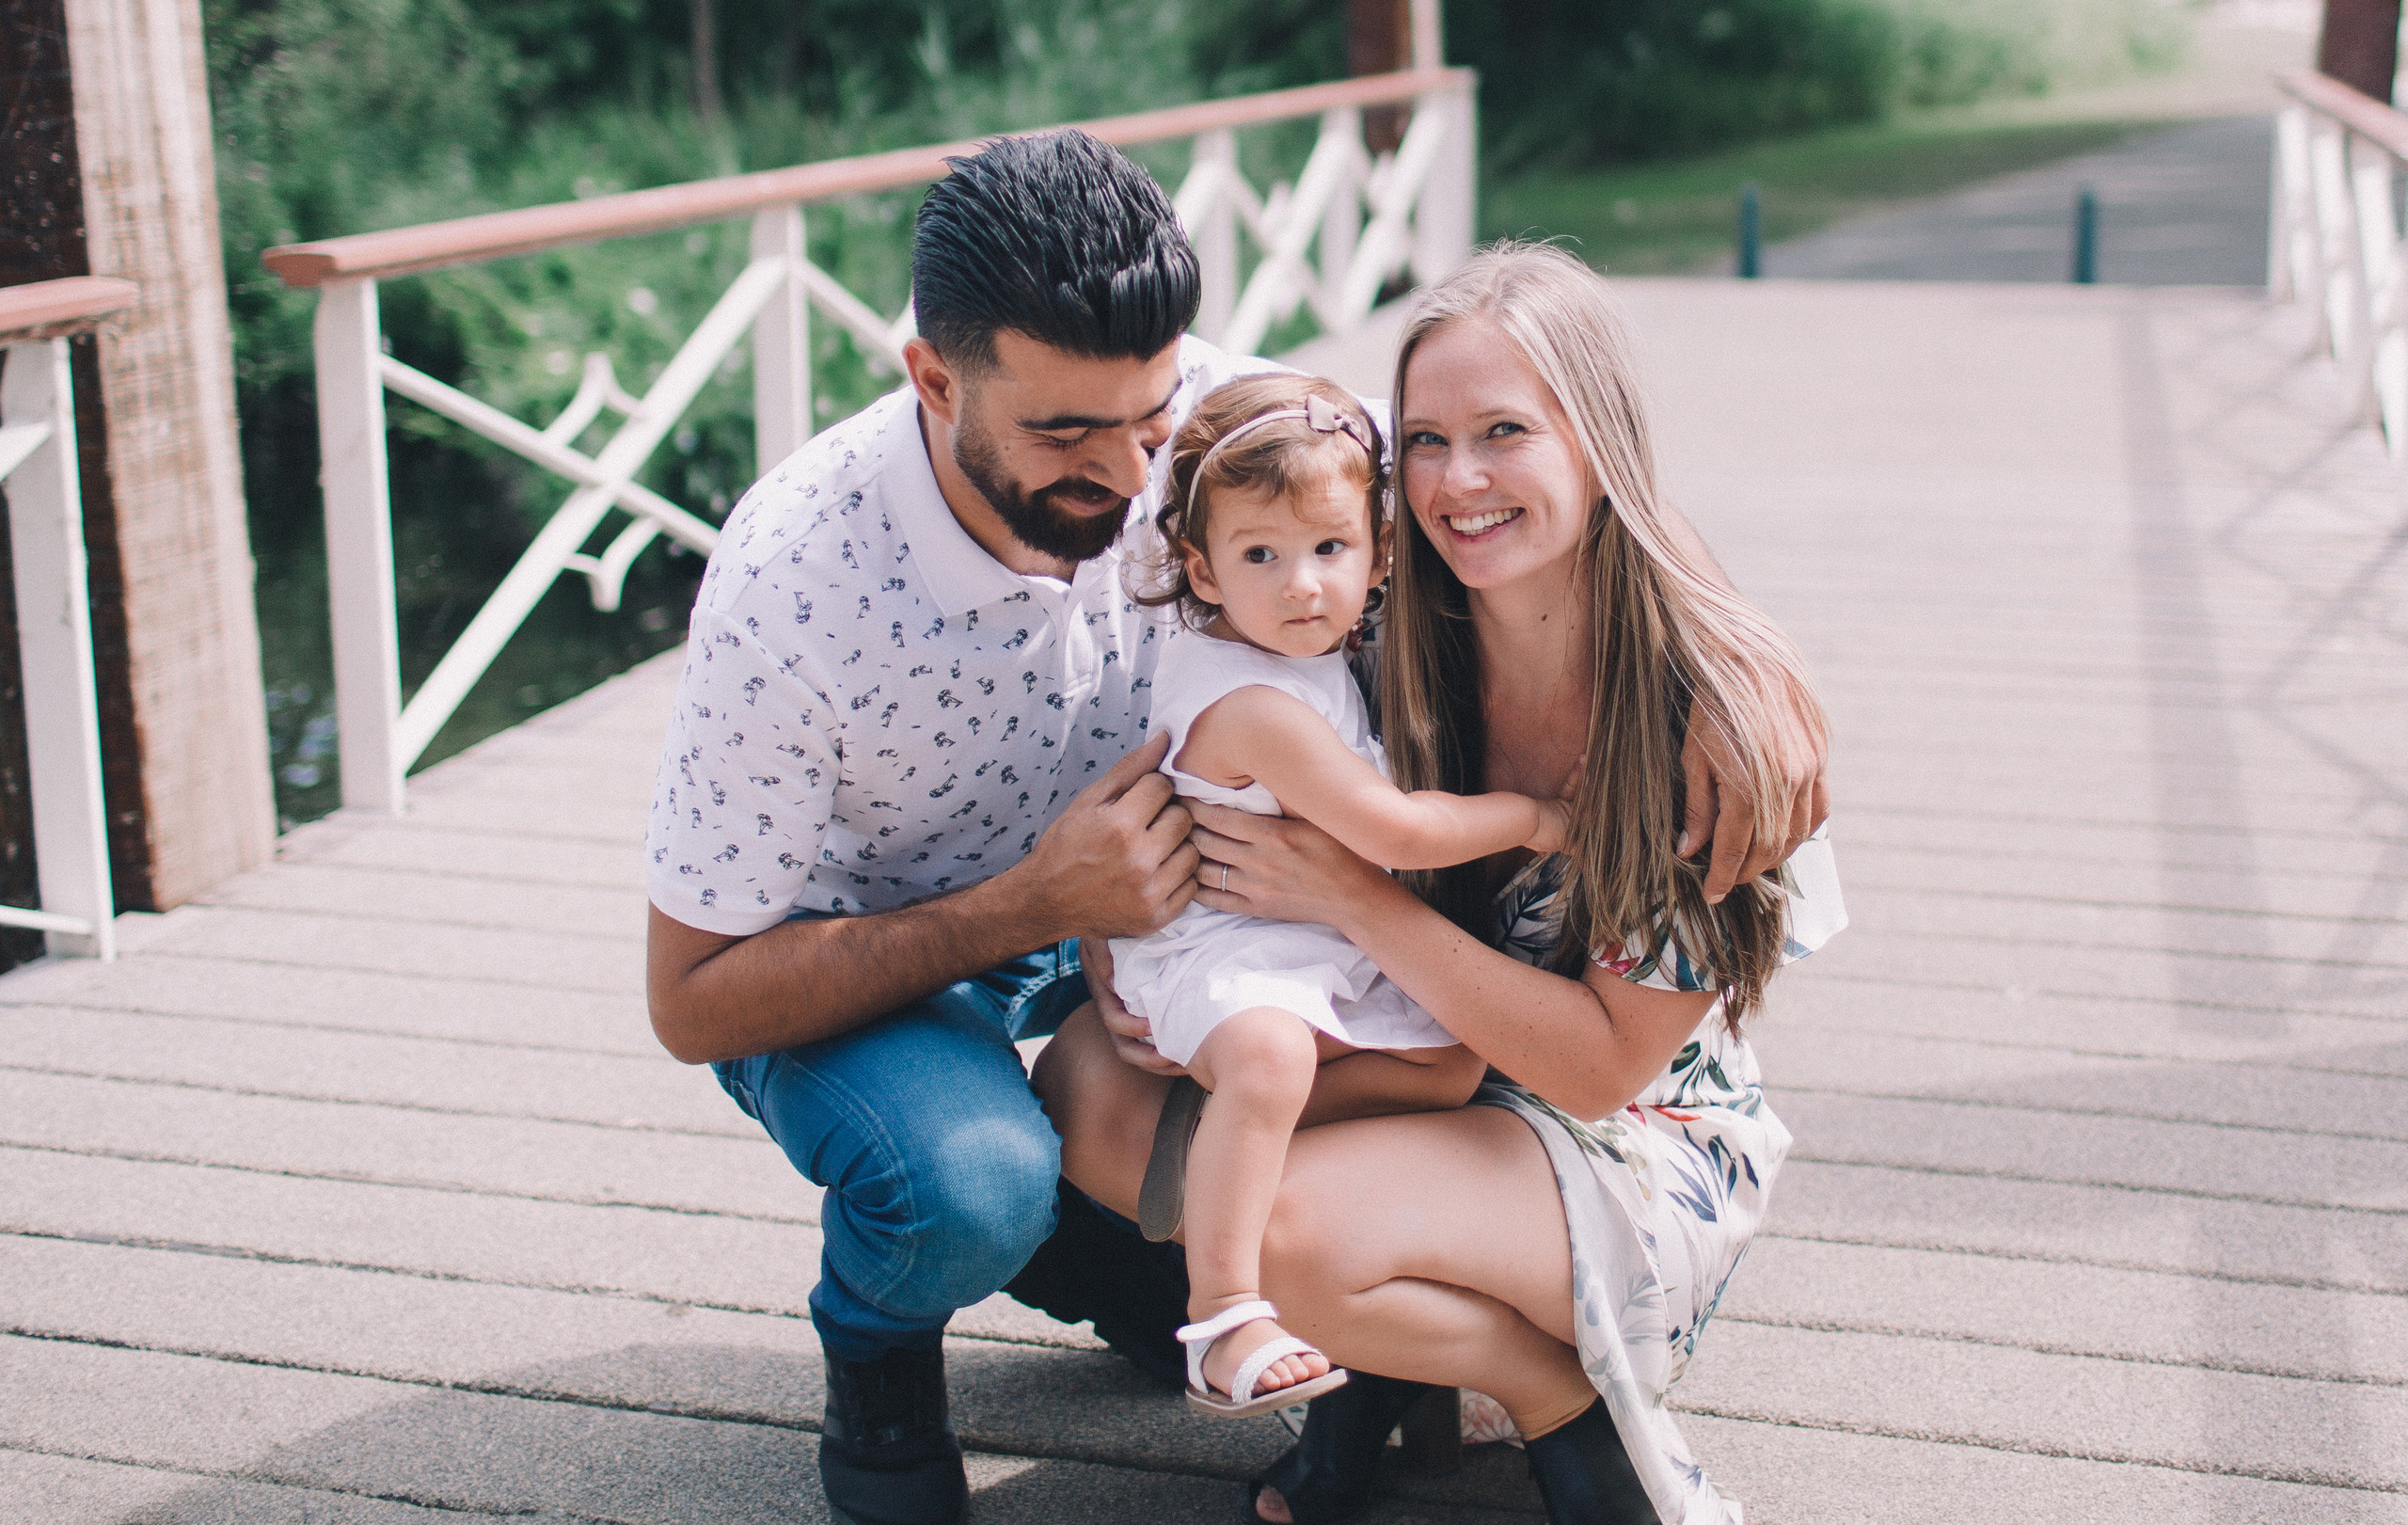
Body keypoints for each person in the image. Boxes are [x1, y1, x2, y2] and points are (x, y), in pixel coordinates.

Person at [644, 122, 1820, 1525]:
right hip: (942, 936)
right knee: (1004, 1159)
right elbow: (692, 996)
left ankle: (1435, 1367)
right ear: (933, 377)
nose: (1136, 469)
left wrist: (1757, 676)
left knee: (1238, 1197)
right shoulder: (791, 580)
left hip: (1449, 1028)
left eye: (1151, 416)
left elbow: (1522, 486)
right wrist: (1045, 909)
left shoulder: (1238, 448)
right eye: (1068, 435)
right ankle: (893, 1330)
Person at [1038, 242, 1846, 1525]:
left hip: (1626, 1134)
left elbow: (1595, 1066)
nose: (1458, 480)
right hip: (1421, 1046)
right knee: (1086, 1081)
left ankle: (1560, 1406)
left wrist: (1355, 898)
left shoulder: (1696, 728)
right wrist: (1123, 933)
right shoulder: (1390, 607)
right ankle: (1383, 1375)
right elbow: (1236, 505)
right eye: (1423, 440)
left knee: (1274, 1231)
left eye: (1505, 432)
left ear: (1596, 441)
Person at [1113, 373, 1560, 1419]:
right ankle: (1223, 1317)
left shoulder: (1295, 647)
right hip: (1223, 947)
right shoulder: (1254, 701)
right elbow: (1392, 830)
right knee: (1266, 1056)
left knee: (1454, 1060)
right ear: (1202, 571)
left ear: (1378, 550)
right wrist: (1535, 817)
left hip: (1304, 934)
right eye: (1258, 556)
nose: (1301, 585)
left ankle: (1235, 1140)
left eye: (1328, 549)